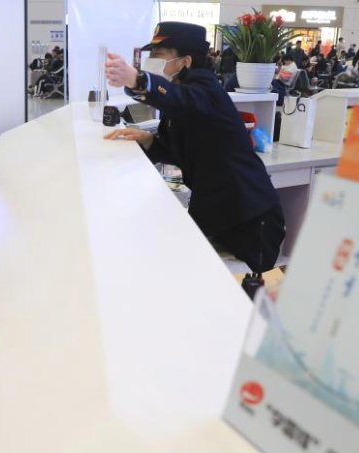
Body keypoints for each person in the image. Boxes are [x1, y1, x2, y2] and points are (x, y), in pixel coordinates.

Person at [104, 22, 285, 273]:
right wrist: (148, 140)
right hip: (218, 212)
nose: (152, 60)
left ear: (185, 61)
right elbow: (183, 153)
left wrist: (138, 79)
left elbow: (177, 100)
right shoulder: (185, 95)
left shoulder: (204, 91)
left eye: (159, 54)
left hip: (250, 220)